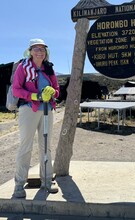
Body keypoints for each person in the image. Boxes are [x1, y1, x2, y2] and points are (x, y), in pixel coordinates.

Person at [12, 38, 60, 198]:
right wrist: (34, 95)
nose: (40, 52)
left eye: (42, 49)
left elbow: (57, 88)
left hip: (47, 109)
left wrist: (53, 93)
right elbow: (16, 90)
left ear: (46, 52)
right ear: (30, 51)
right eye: (36, 49)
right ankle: (19, 184)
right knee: (26, 146)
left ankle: (47, 181)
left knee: (46, 146)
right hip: (28, 109)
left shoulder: (49, 68)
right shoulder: (23, 67)